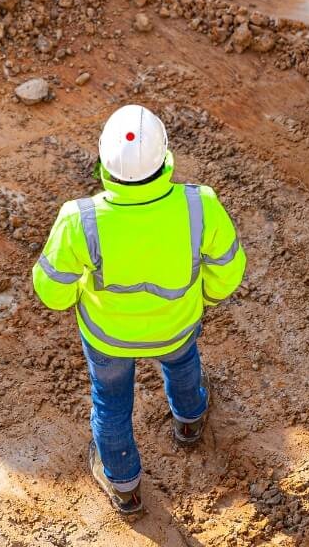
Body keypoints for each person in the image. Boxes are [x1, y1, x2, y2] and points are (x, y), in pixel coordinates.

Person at [32, 105, 246, 513]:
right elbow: (228, 266)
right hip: (177, 325)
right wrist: (208, 298)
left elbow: (52, 290)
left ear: (101, 161)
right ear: (166, 157)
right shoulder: (200, 204)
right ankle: (189, 421)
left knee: (111, 405)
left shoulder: (81, 219)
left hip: (108, 337)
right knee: (183, 366)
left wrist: (80, 295)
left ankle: (124, 487)